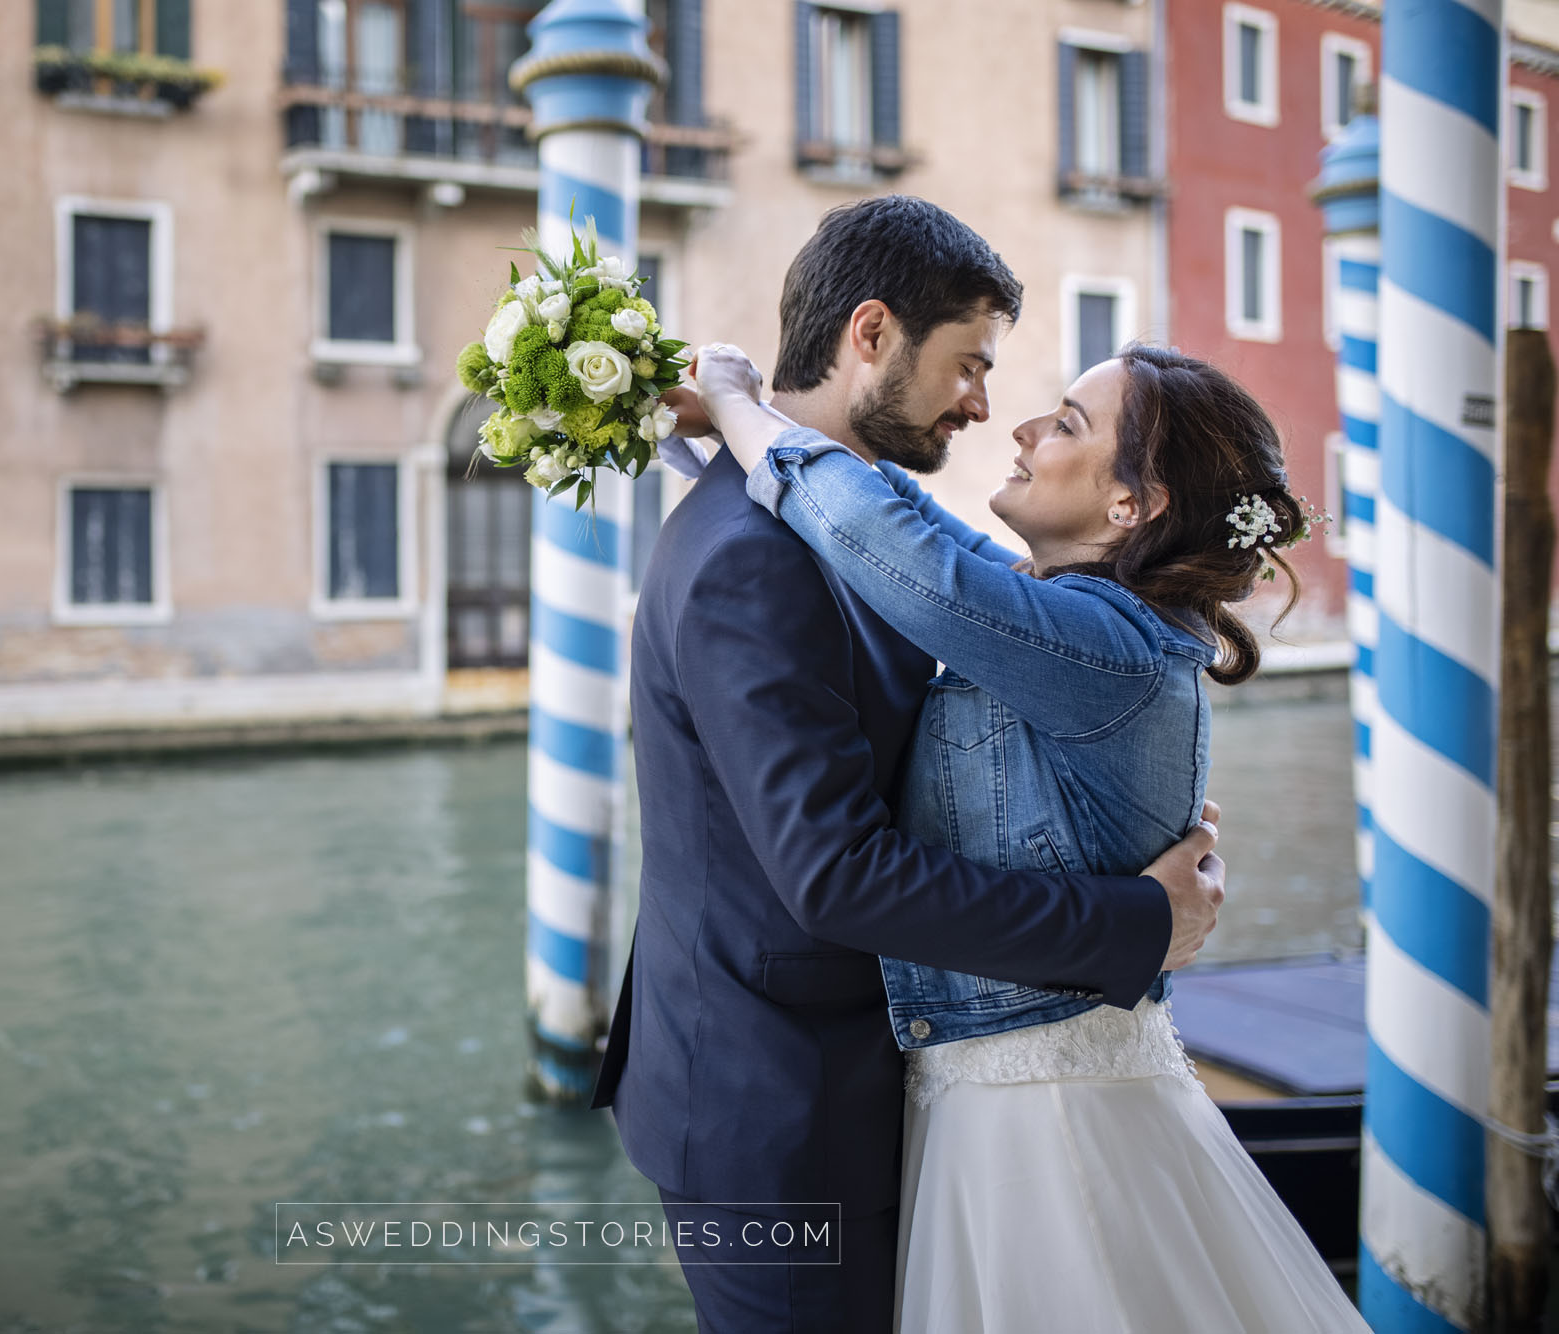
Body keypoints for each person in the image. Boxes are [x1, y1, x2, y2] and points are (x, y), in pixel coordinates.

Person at [587, 195, 1227, 1331]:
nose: (985, 406)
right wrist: (1134, 919)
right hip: (772, 1112)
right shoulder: (751, 555)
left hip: (870, 1079)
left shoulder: (852, 524)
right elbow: (836, 877)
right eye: (968, 364)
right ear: (870, 334)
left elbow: (944, 579)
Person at [685, 333, 1370, 1332]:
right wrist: (747, 428)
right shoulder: (1081, 616)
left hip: (1049, 1121)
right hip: (1000, 1098)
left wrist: (739, 403)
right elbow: (915, 526)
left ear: (1130, 505)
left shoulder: (1106, 643)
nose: (1019, 426)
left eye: (1065, 423)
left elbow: (897, 549)